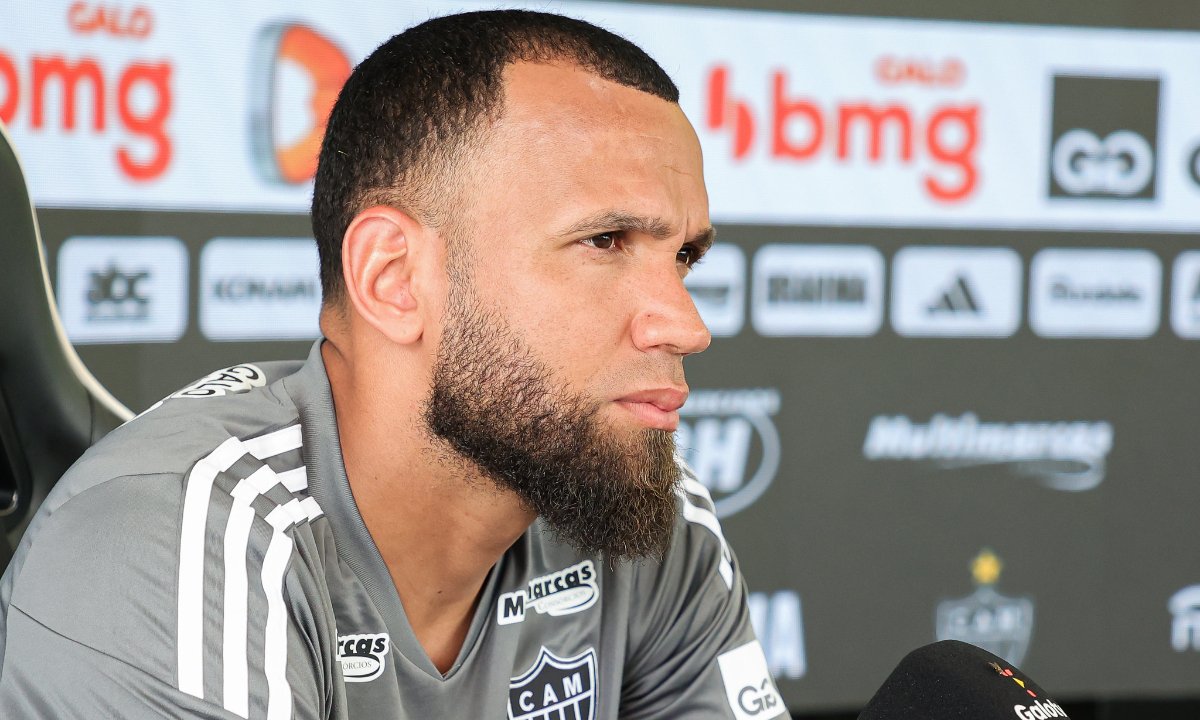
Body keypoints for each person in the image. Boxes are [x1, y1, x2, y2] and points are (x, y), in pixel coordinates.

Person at [0, 9, 783, 719]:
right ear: (393, 279)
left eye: (683, 256)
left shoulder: (645, 511)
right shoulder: (182, 545)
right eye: (605, 242)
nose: (685, 323)